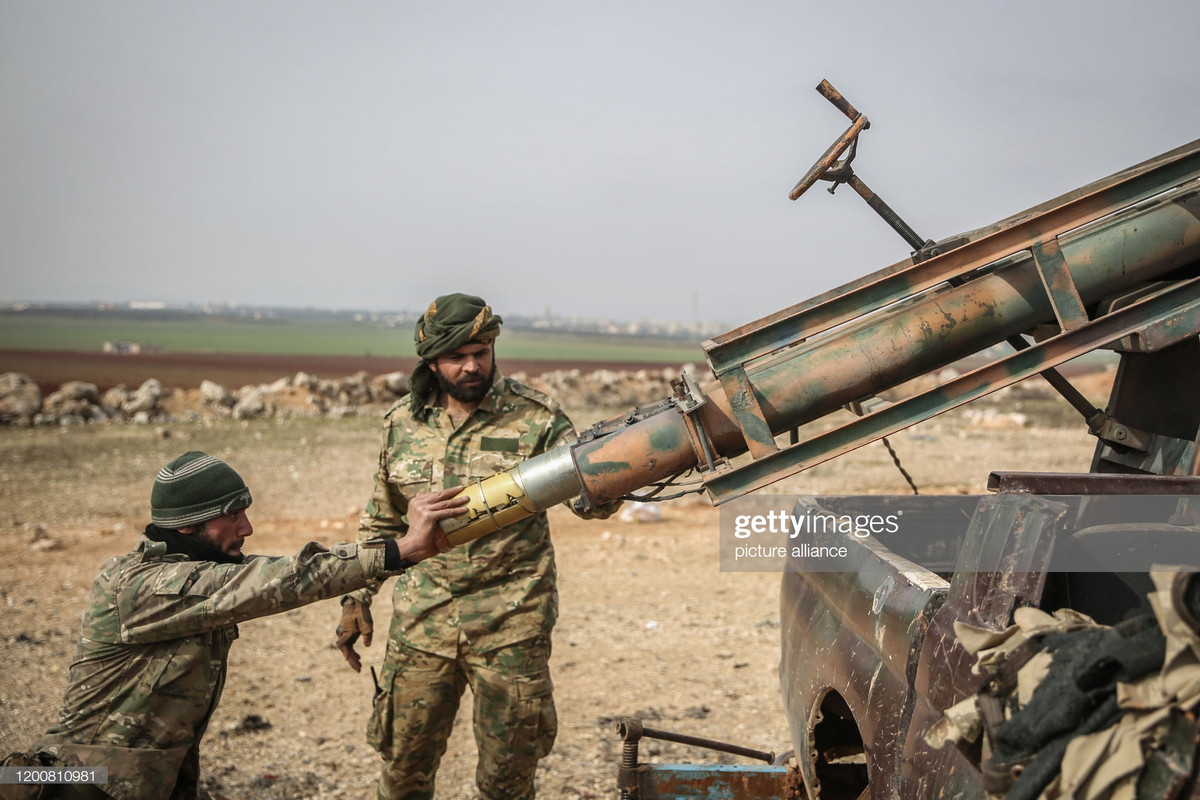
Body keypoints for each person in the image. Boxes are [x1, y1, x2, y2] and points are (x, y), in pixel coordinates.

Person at [5, 450, 468, 800]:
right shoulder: (136, 586)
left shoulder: (197, 569)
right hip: (80, 782)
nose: (246, 528)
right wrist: (401, 548)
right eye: (232, 515)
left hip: (142, 782)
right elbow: (277, 581)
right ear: (186, 526)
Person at [336, 292, 616, 800]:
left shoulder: (537, 418)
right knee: (403, 769)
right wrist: (357, 596)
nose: (472, 366)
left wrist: (620, 470)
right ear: (431, 361)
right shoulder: (402, 423)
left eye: (482, 353)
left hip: (511, 626)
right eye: (457, 357)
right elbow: (382, 518)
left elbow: (585, 501)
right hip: (423, 624)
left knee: (507, 780)